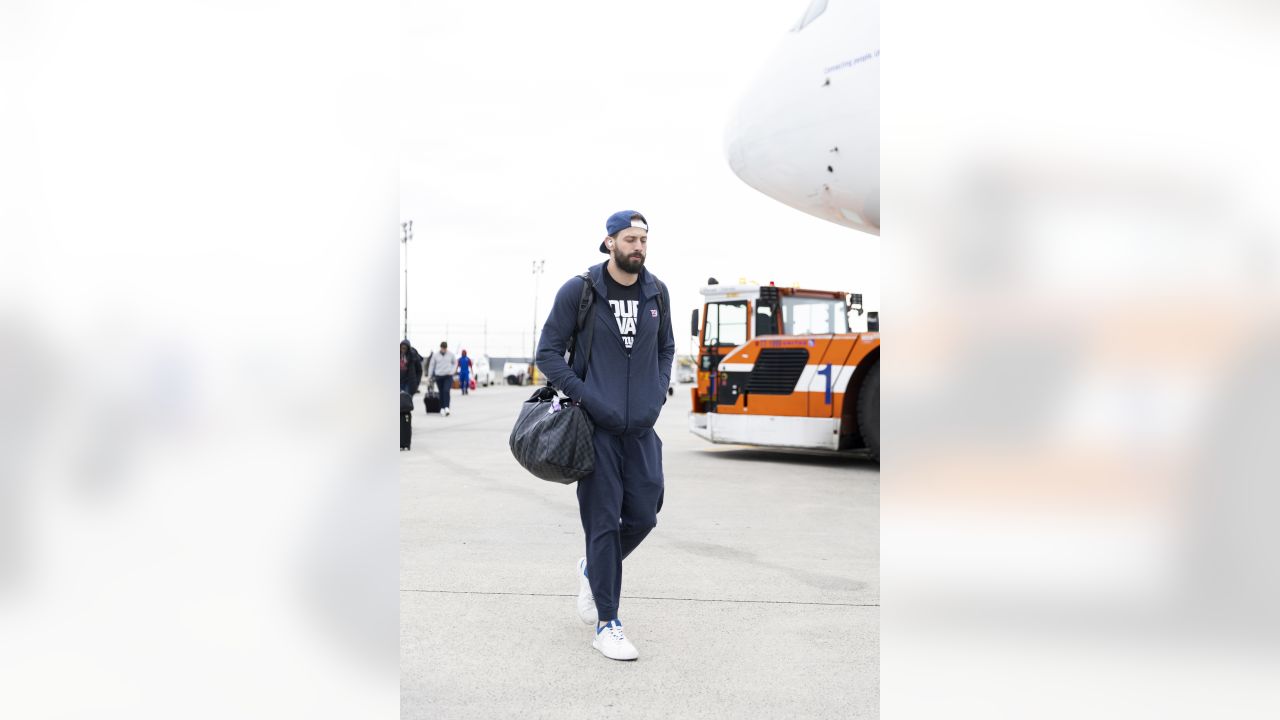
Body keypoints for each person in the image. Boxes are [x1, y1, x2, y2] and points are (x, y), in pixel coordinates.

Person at [536, 210, 674, 661]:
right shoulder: (581, 290)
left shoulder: (657, 292)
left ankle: (591, 569)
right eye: (630, 239)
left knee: (644, 515)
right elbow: (548, 354)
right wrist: (587, 396)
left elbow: (666, 348)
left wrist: (657, 393)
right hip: (595, 430)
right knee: (602, 524)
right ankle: (607, 624)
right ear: (609, 242)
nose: (639, 246)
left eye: (644, 239)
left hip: (641, 430)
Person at [425, 341, 458, 416]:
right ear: (440, 348)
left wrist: (452, 371)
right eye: (443, 348)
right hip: (439, 376)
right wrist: (429, 376)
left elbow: (455, 363)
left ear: (447, 348)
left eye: (445, 348)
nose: (444, 349)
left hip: (448, 375)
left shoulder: (451, 354)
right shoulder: (435, 355)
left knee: (446, 391)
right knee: (441, 392)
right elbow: (431, 366)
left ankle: (447, 407)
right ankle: (442, 408)